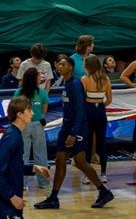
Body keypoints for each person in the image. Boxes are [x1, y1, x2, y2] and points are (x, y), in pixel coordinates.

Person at [35, 55, 114, 209]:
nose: (59, 67)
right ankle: (53, 197)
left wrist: (73, 133)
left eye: (63, 64)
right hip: (67, 127)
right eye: (58, 64)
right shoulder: (67, 83)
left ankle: (103, 191)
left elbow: (80, 111)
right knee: (62, 161)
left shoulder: (76, 84)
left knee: (80, 162)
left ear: (71, 67)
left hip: (75, 129)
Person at [0, 96, 52, 219]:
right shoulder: (12, 137)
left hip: (10, 203)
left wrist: (33, 168)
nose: (33, 113)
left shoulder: (16, 134)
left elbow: (12, 166)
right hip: (7, 204)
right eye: (29, 110)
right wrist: (11, 196)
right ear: (20, 114)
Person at [15, 68, 51, 189]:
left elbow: (14, 108)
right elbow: (44, 110)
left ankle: (22, 184)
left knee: (22, 154)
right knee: (40, 154)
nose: (41, 78)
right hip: (37, 124)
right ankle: (44, 182)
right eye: (39, 76)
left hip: (22, 125)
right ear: (35, 78)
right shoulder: (42, 93)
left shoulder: (19, 92)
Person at [83, 55, 112, 183]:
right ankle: (104, 174)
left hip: (89, 110)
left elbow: (81, 99)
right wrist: (100, 106)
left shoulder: (85, 79)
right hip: (101, 110)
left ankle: (87, 176)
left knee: (88, 143)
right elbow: (109, 99)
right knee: (101, 143)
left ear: (88, 66)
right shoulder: (105, 79)